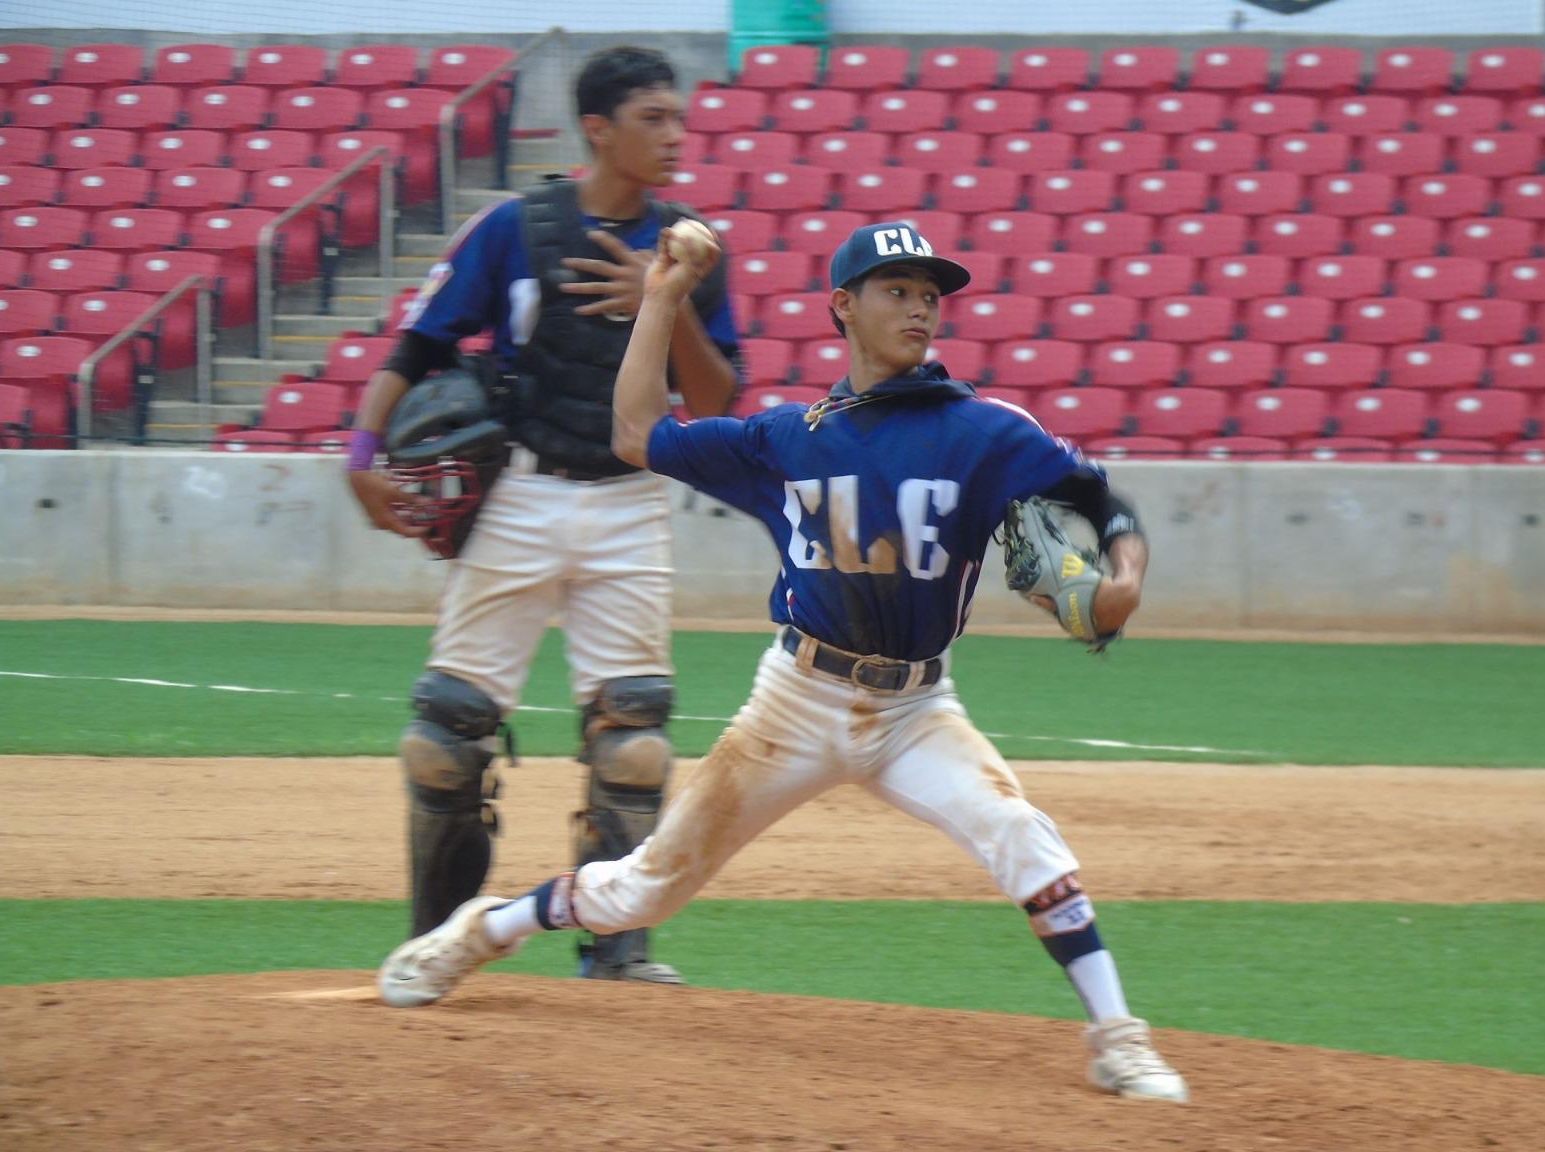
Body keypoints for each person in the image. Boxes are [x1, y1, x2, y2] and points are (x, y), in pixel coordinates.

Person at [375, 220, 1189, 1103]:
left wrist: (1124, 575)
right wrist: (661, 294)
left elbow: (1102, 503)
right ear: (843, 306)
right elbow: (636, 431)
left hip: (916, 712)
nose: (920, 305)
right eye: (896, 289)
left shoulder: (986, 433)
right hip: (795, 702)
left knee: (1021, 833)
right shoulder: (786, 440)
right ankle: (483, 931)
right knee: (644, 892)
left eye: (929, 293)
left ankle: (1118, 1036)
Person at [345, 46, 740, 983]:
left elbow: (718, 402)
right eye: (654, 117)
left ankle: (619, 951)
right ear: (597, 129)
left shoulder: (691, 244)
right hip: (517, 493)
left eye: (679, 117)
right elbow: (418, 341)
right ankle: (433, 946)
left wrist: (667, 295)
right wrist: (361, 455)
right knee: (443, 739)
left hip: (632, 500)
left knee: (635, 744)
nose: (676, 134)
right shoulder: (515, 230)